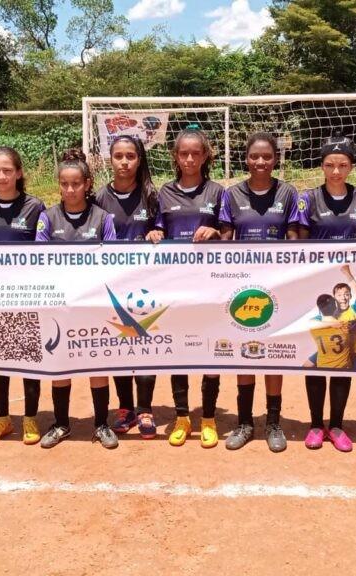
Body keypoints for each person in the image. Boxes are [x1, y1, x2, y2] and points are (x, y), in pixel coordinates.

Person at [217, 132, 300, 453]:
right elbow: (226, 238)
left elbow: (294, 238)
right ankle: (244, 422)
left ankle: (273, 422)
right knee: (245, 352)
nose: (260, 162)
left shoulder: (288, 193)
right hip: (242, 285)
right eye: (254, 156)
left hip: (277, 286)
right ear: (246, 159)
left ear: (275, 159)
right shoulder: (232, 194)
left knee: (274, 353)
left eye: (267, 156)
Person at [35, 148, 118, 449]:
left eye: (76, 184)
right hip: (59, 305)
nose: (70, 190)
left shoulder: (102, 218)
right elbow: (38, 259)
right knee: (60, 366)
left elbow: (113, 261)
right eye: (64, 184)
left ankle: (101, 424)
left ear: (87, 184)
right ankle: (61, 424)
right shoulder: (47, 218)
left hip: (93, 305)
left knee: (97, 366)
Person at [296, 135, 356, 452]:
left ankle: (337, 425)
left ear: (351, 166)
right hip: (317, 288)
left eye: (342, 165)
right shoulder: (309, 198)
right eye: (330, 165)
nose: (336, 171)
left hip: (346, 284)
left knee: (343, 358)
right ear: (322, 166)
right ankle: (316, 425)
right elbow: (298, 242)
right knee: (318, 353)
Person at [151, 129, 224, 448]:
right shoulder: (164, 193)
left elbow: (229, 234)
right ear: (176, 156)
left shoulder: (218, 192)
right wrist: (154, 234)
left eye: (196, 153)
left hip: (209, 286)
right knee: (177, 351)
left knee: (211, 352)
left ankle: (208, 418)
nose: (190, 159)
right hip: (175, 285)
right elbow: (156, 228)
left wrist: (215, 232)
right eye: (184, 153)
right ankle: (182, 417)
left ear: (205, 156)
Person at [0, 146, 46, 446]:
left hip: (26, 293)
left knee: (30, 357)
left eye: (7, 170)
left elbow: (44, 250)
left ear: (18, 172)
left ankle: (30, 418)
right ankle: (2, 418)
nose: (1, 176)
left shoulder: (35, 206)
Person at [93, 135, 162, 439]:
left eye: (130, 156)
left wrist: (156, 232)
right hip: (110, 285)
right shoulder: (99, 198)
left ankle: (145, 408)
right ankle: (125, 408)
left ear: (139, 159)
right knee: (118, 344)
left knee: (145, 344)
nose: (124, 162)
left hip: (146, 285)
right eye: (118, 156)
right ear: (110, 159)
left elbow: (161, 228)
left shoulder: (151, 195)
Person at [301, 266, 356, 450]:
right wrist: (336, 323)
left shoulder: (355, 309)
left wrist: (348, 274)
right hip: (327, 350)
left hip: (349, 352)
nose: (344, 297)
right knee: (308, 367)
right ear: (334, 298)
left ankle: (336, 426)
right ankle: (316, 425)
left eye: (346, 294)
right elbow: (312, 322)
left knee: (343, 373)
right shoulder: (329, 313)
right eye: (339, 294)